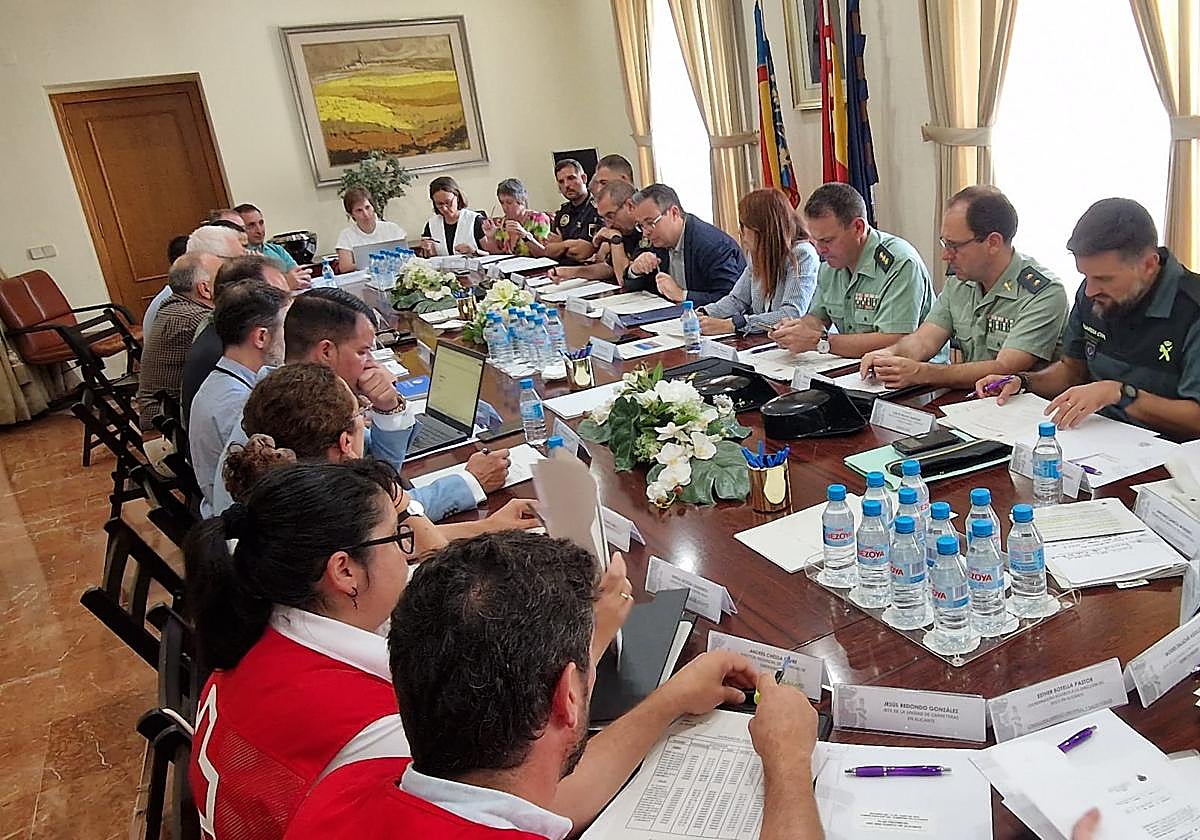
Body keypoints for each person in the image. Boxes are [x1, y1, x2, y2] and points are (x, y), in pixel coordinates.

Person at [284, 531, 824, 840]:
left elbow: (551, 794)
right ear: (567, 694)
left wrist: (671, 701)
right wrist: (788, 761)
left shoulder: (349, 784)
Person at [210, 288, 509, 519]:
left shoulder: (289, 393)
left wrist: (388, 408)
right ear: (326, 351)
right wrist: (471, 482)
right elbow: (375, 513)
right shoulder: (292, 413)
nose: (372, 363)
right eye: (363, 351)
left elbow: (377, 473)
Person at [221, 363, 539, 540]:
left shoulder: (286, 502)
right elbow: (404, 544)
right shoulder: (337, 516)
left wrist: (486, 527)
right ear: (347, 445)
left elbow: (400, 543)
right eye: (361, 415)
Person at [977, 198, 1200, 439]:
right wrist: (1023, 382)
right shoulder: (1093, 293)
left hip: (1170, 459)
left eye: (1104, 279)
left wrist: (1120, 394)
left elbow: (1196, 418)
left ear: (1148, 265)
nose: (1090, 290)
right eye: (1086, 276)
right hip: (1094, 439)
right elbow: (1072, 371)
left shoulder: (1192, 309)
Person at [858, 186, 1068, 389]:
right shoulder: (960, 282)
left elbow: (1005, 368)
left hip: (1023, 412)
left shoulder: (1043, 293)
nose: (945, 255)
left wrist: (921, 373)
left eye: (954, 246)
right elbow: (924, 340)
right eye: (944, 243)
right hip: (970, 404)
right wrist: (889, 354)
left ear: (993, 242)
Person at [769, 182, 934, 359]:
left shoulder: (899, 264)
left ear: (858, 228)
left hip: (915, 375)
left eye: (827, 240)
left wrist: (821, 342)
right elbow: (818, 318)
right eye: (815, 240)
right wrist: (794, 331)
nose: (819, 249)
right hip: (856, 369)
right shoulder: (831, 266)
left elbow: (895, 340)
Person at [189, 259, 290, 514]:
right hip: (236, 518)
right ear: (261, 337)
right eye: (285, 328)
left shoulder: (231, 376)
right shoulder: (236, 403)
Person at [697, 188, 820, 335]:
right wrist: (704, 313)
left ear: (761, 228)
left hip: (794, 345)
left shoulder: (802, 255)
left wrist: (734, 325)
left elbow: (791, 313)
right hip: (764, 342)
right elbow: (737, 300)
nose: (740, 232)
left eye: (743, 226)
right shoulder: (756, 253)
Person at [625, 183, 745, 306]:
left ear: (674, 213)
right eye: (641, 226)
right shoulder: (656, 240)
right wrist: (635, 270)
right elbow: (633, 285)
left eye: (650, 223)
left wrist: (682, 295)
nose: (645, 233)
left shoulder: (712, 245)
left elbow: (731, 299)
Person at [134, 253, 217, 428]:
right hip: (169, 426)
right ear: (205, 289)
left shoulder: (174, 306)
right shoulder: (196, 319)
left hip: (165, 414)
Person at [144, 227, 240, 335]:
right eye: (235, 263)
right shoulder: (196, 319)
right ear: (205, 288)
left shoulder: (178, 300)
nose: (241, 271)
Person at [236, 202, 313, 289]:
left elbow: (300, 276)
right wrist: (287, 282)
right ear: (240, 229)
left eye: (261, 223)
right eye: (251, 225)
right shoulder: (239, 258)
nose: (259, 230)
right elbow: (257, 291)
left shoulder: (277, 249)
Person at [335, 187, 407, 273]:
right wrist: (376, 263)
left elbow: (405, 256)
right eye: (359, 210)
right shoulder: (346, 235)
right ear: (351, 214)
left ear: (373, 207)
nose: (365, 214)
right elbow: (345, 267)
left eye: (367, 207)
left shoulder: (392, 228)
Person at [545, 158, 601, 264]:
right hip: (561, 271)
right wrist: (568, 245)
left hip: (587, 272)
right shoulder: (562, 212)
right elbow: (548, 250)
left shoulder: (597, 209)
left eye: (571, 178)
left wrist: (561, 245)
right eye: (561, 181)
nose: (566, 185)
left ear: (584, 178)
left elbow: (584, 251)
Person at [481, 178, 552, 257]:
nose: (505, 207)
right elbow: (497, 255)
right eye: (502, 203)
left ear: (521, 200)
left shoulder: (538, 219)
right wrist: (491, 238)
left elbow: (544, 253)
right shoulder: (503, 223)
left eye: (509, 202)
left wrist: (525, 235)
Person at [416, 176, 485, 257]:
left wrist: (474, 251)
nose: (444, 208)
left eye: (448, 202)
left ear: (457, 197)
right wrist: (426, 250)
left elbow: (491, 255)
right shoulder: (431, 225)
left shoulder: (475, 220)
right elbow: (430, 257)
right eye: (439, 204)